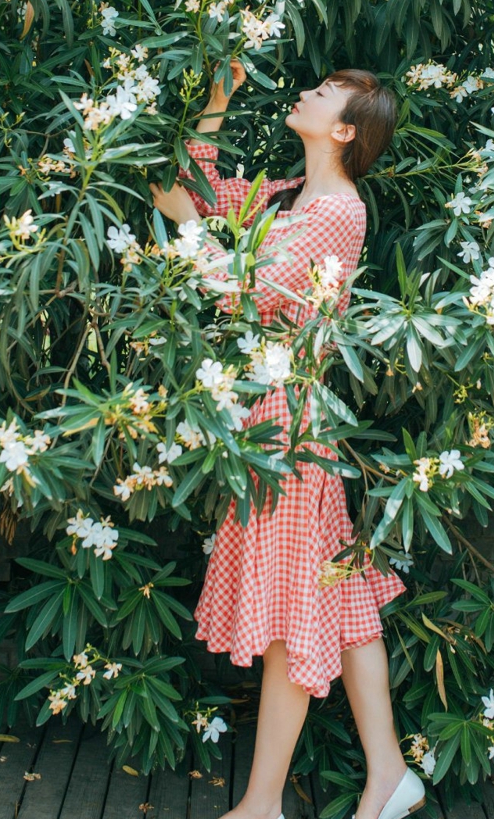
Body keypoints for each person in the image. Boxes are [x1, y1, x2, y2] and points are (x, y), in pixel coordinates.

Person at [150, 61, 426, 819]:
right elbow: (177, 196)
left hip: (287, 430)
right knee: (337, 594)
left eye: (324, 92)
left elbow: (253, 289)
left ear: (344, 129)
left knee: (289, 615)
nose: (306, 92)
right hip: (276, 425)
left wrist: (197, 247)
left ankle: (262, 803)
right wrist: (214, 102)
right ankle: (389, 773)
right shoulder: (287, 196)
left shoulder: (339, 210)